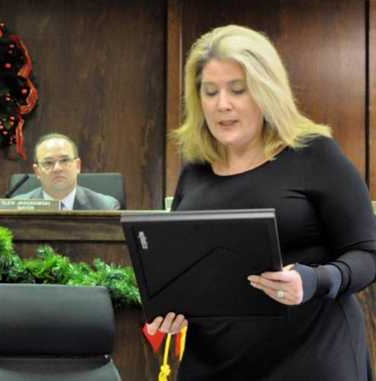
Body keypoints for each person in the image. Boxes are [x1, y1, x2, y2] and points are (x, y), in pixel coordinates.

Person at [147, 24, 376, 380]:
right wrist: (173, 306)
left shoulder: (315, 154)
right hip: (214, 362)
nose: (222, 104)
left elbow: (368, 253)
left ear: (267, 91)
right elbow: (188, 267)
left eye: (238, 90)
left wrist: (315, 280)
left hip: (312, 356)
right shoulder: (195, 169)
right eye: (210, 92)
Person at [13, 133, 120, 210]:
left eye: (64, 160)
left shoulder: (106, 207)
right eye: (48, 163)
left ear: (78, 166)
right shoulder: (16, 208)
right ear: (37, 171)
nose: (57, 168)